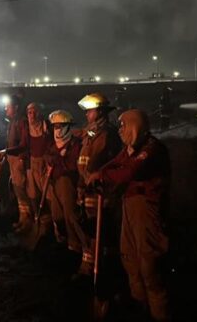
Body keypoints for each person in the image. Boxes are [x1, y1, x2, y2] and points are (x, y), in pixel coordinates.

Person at [91, 109, 170, 321]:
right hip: (129, 207)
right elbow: (116, 162)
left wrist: (104, 176)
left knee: (149, 266)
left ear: (135, 126)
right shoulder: (130, 148)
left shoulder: (151, 149)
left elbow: (128, 172)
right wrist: (99, 173)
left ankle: (159, 313)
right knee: (130, 260)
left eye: (124, 125)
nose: (120, 130)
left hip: (147, 212)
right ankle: (139, 308)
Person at [76, 92, 122, 276]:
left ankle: (100, 268)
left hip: (100, 191)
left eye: (90, 111)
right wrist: (80, 184)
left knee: (99, 229)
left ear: (100, 112)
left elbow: (102, 163)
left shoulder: (107, 134)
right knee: (89, 227)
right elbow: (84, 162)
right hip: (87, 188)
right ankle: (88, 264)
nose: (87, 114)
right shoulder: (92, 132)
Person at [44, 109, 86, 253]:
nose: (58, 130)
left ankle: (76, 246)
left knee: (70, 215)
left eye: (61, 126)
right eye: (55, 126)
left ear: (68, 126)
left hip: (67, 183)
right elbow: (48, 157)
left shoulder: (75, 144)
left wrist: (57, 161)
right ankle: (63, 240)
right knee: (57, 215)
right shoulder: (53, 144)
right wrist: (56, 159)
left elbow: (72, 165)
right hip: (53, 182)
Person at [0, 94, 34, 234]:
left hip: (19, 160)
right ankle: (22, 219)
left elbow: (24, 144)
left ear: (16, 107)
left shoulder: (21, 122)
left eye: (8, 106)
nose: (6, 108)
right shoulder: (13, 121)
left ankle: (28, 221)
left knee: (22, 191)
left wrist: (6, 151)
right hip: (13, 160)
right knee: (17, 191)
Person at [27, 102, 52, 230]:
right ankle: (37, 217)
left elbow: (51, 142)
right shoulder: (27, 127)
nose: (32, 115)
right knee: (32, 192)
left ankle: (51, 220)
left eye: (34, 112)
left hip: (44, 161)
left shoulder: (45, 125)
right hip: (32, 161)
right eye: (30, 112)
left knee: (47, 192)